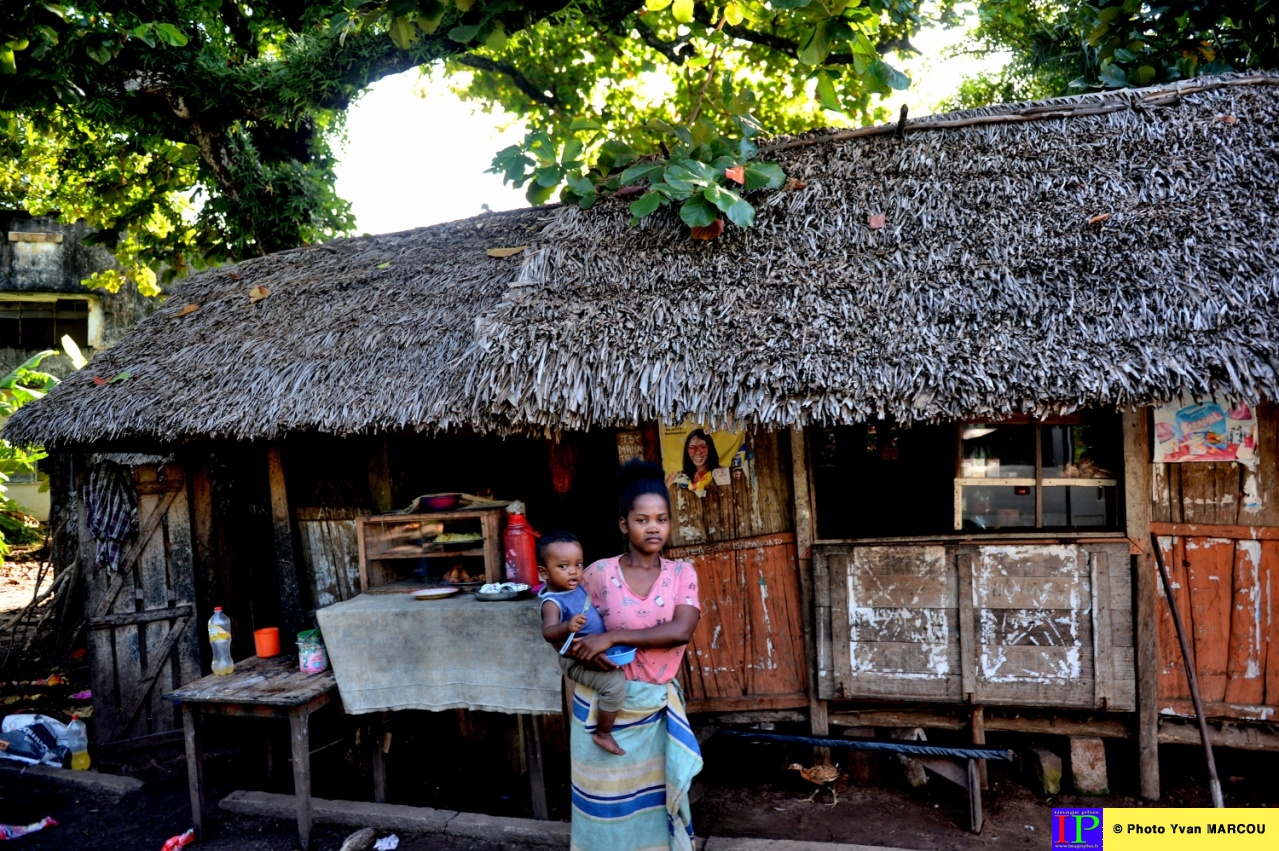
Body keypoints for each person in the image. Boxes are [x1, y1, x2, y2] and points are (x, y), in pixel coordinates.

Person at [565, 460, 703, 851]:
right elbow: (573, 633)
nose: (654, 527)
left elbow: (681, 631)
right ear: (624, 525)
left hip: (653, 708)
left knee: (652, 808)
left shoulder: (682, 574)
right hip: (601, 708)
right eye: (642, 519)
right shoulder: (596, 575)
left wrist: (612, 637)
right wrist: (588, 650)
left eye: (662, 519)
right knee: (602, 807)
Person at [537, 530, 629, 756]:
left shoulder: (575, 587)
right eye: (563, 566)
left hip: (593, 649)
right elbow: (548, 632)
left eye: (578, 565)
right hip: (575, 660)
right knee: (614, 684)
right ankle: (603, 733)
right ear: (543, 573)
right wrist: (566, 626)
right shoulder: (552, 602)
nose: (573, 571)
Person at [666, 428, 721, 493]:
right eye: (692, 448)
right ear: (687, 451)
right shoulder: (680, 476)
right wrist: (666, 485)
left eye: (702, 447)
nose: (697, 452)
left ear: (710, 448)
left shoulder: (721, 473)